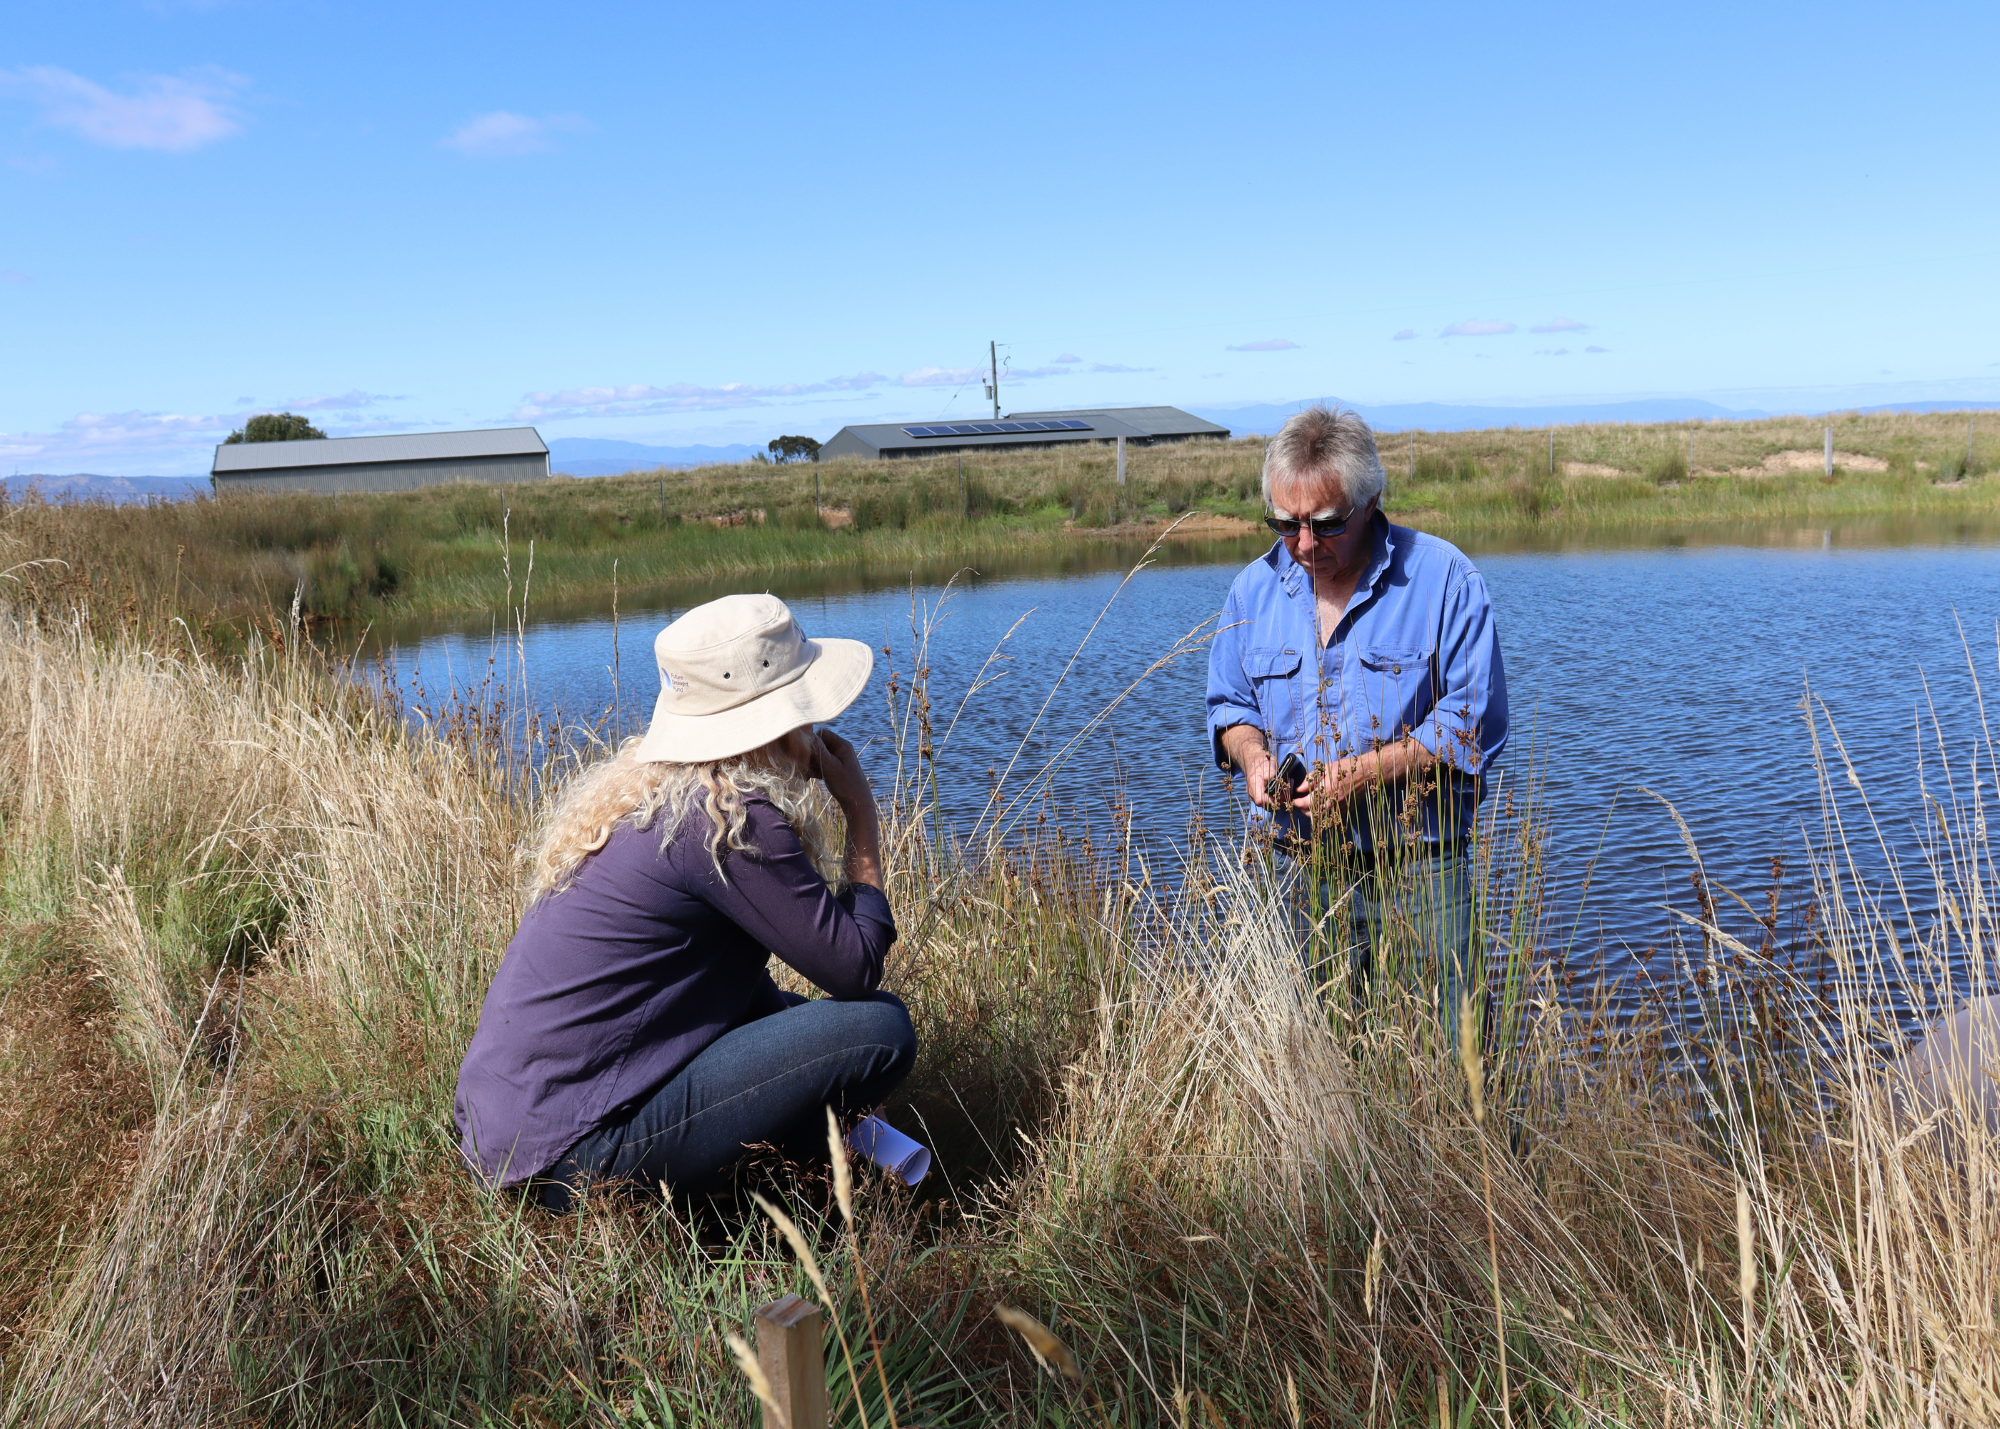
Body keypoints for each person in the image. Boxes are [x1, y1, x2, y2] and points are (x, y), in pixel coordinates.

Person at [454, 593, 916, 1210]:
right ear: (779, 720)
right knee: (880, 1030)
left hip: (507, 1134)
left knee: (802, 1022)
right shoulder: (732, 821)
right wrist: (860, 813)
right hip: (573, 1158)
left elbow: (724, 988)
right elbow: (855, 969)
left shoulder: (659, 798)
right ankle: (786, 1195)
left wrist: (821, 1064)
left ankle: (819, 1165)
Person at [1206, 407, 1508, 1029]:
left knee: (1456, 1049)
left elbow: (1475, 718)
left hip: (1422, 865)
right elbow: (1231, 707)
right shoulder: (1250, 592)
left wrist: (1366, 773)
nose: (1304, 545)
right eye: (1285, 524)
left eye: (1326, 524)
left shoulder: (1445, 579)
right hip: (1296, 865)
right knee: (1313, 1050)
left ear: (1370, 502)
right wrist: (1253, 757)